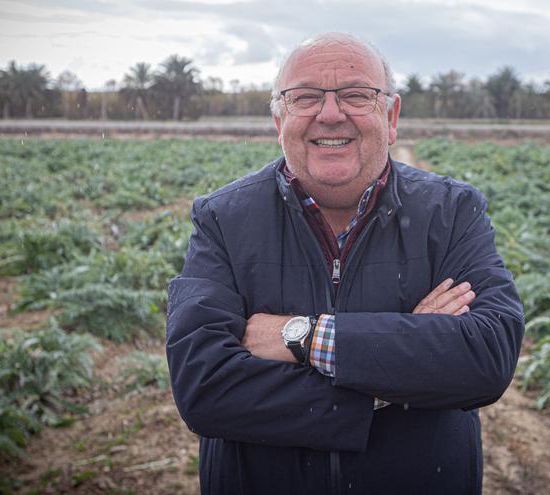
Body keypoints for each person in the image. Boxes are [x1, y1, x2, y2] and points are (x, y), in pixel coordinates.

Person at [166, 32, 524, 494]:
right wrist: (397, 372)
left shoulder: (452, 211)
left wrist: (305, 337)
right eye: (305, 97)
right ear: (280, 120)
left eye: (356, 95)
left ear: (390, 117)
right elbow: (204, 389)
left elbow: (486, 357)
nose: (330, 114)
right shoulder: (222, 218)